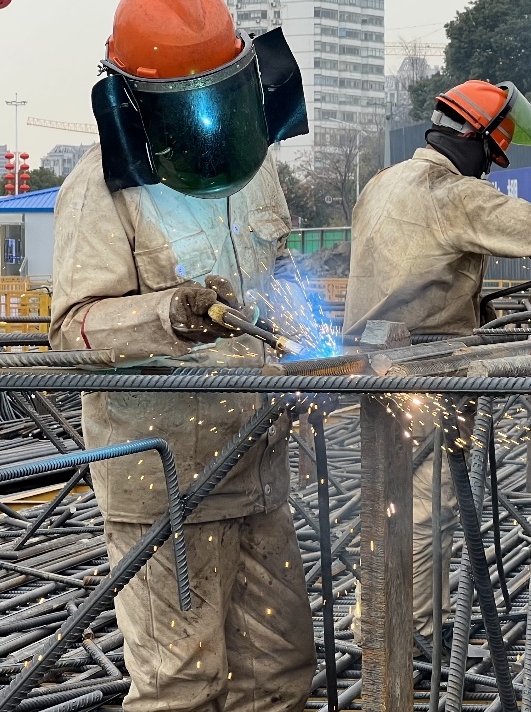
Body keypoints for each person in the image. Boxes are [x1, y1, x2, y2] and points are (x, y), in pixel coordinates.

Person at [49, 1, 315, 709]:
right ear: (138, 99)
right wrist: (166, 315)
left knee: (279, 671)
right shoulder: (101, 186)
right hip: (162, 478)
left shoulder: (254, 168)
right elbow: (73, 328)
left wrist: (309, 335)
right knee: (182, 684)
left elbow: (277, 272)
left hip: (257, 463)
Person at [344, 79, 531, 656]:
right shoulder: (451, 193)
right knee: (425, 508)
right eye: (491, 157)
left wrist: (476, 309)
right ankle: (417, 639)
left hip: (373, 363)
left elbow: (419, 275)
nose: (487, 170)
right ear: (475, 139)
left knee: (383, 499)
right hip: (424, 371)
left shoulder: (384, 182)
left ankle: (374, 623)